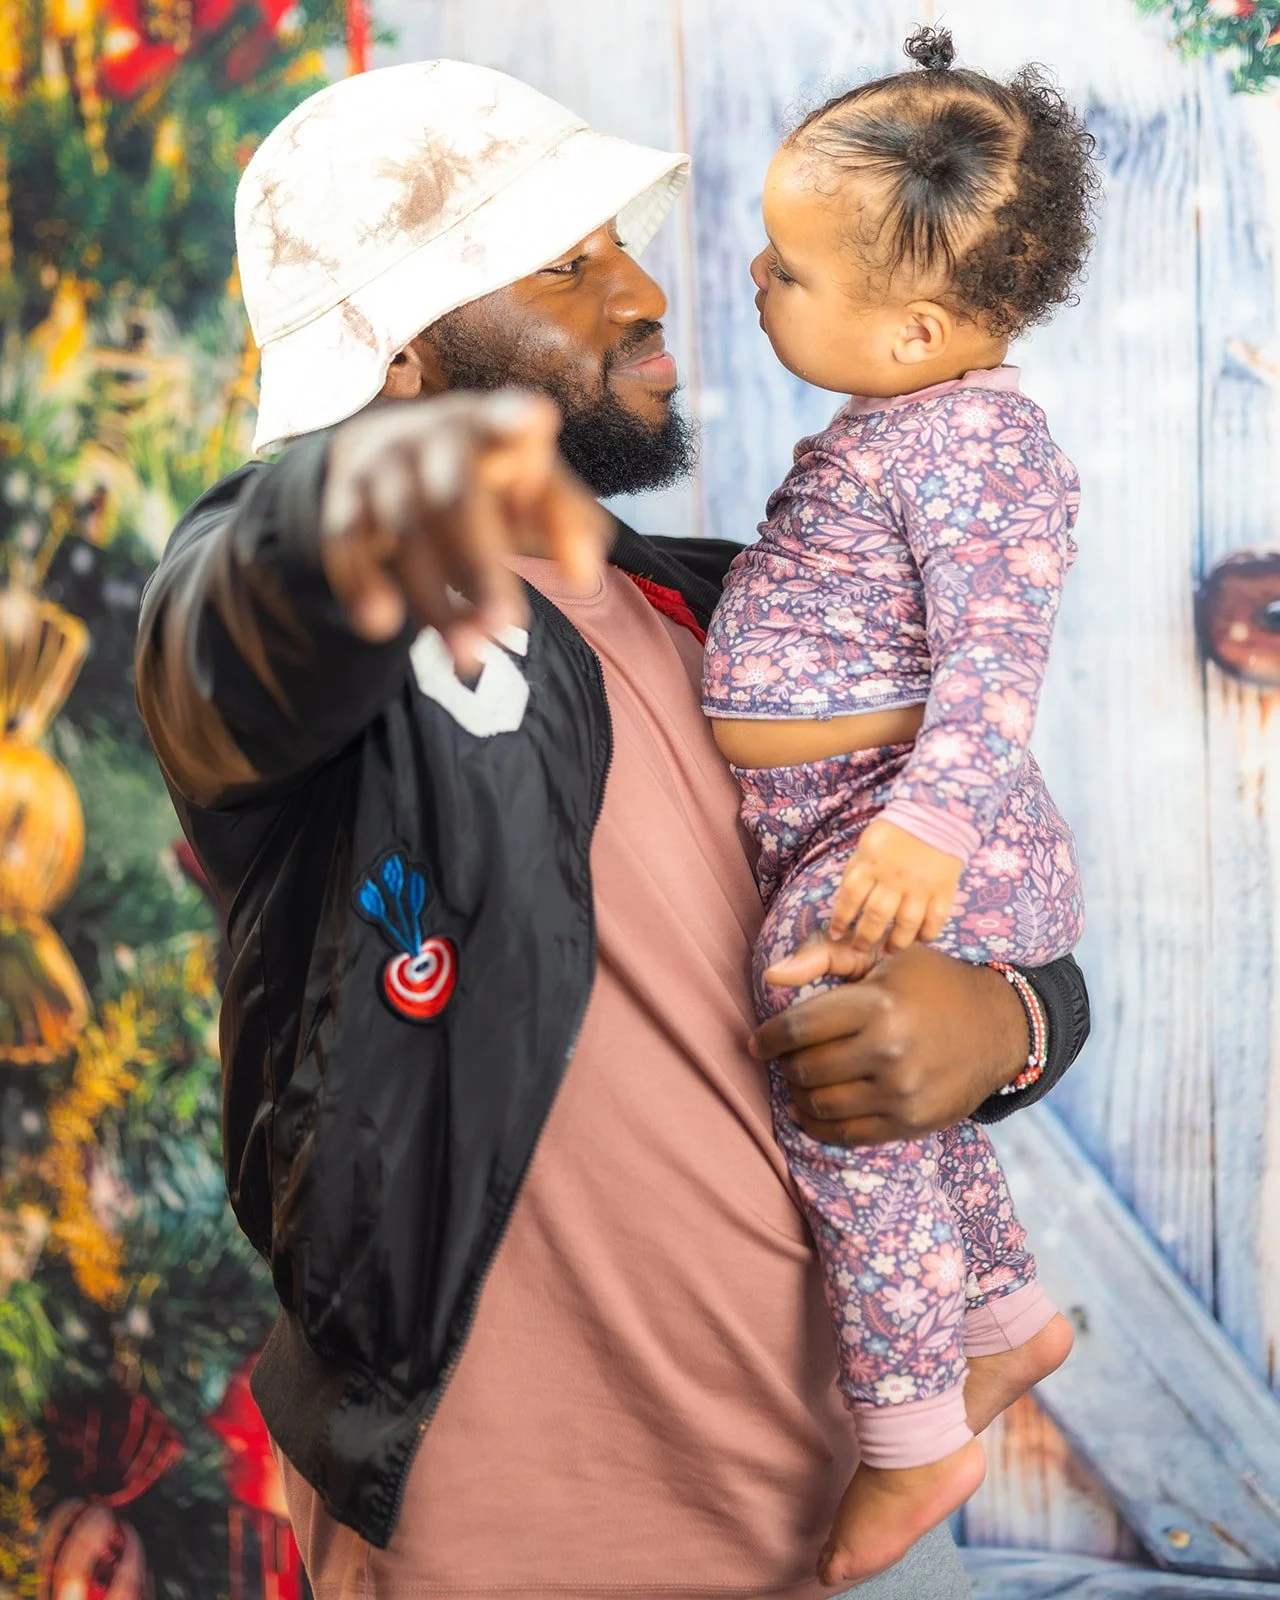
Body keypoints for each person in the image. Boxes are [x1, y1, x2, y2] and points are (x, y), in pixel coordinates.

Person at [134, 59, 1091, 1600]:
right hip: (502, 1530)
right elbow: (228, 618)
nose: (642, 292)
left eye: (618, 245)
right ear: (396, 355)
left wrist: (1016, 1021)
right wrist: (388, 481)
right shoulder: (330, 650)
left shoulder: (738, 621)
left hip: (839, 1493)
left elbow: (970, 882)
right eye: (564, 265)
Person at [701, 28, 1098, 1586]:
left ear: (917, 326)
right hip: (857, 818)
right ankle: (1004, 1321)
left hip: (921, 837)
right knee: (883, 1094)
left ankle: (913, 1431)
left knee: (832, 1058)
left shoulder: (984, 446)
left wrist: (924, 831)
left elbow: (998, 664)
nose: (755, 276)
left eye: (791, 269)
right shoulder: (909, 428)